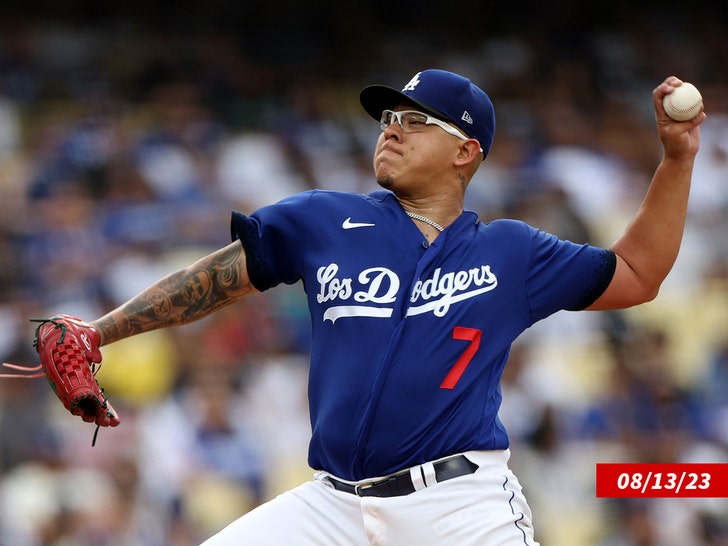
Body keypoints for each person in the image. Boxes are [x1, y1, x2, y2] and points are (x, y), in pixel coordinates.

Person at [50, 69, 705, 545]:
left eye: (415, 120)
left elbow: (638, 272)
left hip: (458, 508)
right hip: (331, 507)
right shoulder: (324, 219)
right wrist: (101, 331)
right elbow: (215, 279)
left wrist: (676, 160)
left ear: (465, 150)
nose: (392, 129)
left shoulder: (511, 252)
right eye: (388, 118)